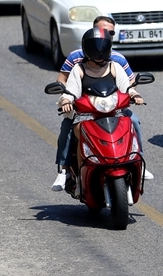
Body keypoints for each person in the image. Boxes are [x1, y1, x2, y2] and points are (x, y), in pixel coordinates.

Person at [51, 16, 149, 190]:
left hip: (113, 110)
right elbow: (70, 89)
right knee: (70, 128)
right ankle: (69, 173)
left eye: (108, 36)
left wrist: (135, 95)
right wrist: (66, 100)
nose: (100, 48)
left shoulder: (116, 64)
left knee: (132, 121)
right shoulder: (77, 66)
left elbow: (127, 86)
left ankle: (136, 159)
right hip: (85, 113)